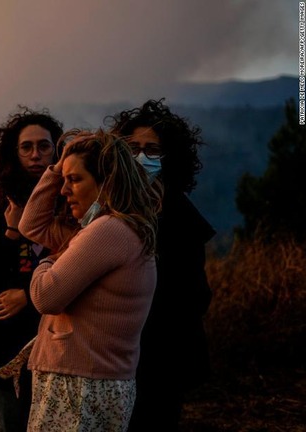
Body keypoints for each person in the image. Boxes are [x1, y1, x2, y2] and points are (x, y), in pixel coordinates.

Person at [18, 130, 162, 431]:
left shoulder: (107, 231)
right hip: (93, 380)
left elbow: (46, 297)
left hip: (80, 384)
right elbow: (30, 224)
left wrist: (52, 259)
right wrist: (59, 168)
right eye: (63, 180)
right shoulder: (112, 228)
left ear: (105, 183)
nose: (62, 189)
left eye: (74, 180)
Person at [107, 99, 216, 432]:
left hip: (163, 356)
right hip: (120, 355)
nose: (141, 156)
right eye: (133, 147)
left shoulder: (181, 218)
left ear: (171, 158)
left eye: (152, 149)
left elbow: (196, 295)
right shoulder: (116, 208)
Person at [0, 106, 64, 432]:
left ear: (57, 149)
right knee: (8, 421)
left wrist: (28, 296)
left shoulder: (68, 199)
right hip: (1, 340)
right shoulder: (2, 203)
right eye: (26, 147)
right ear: (14, 153)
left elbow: (77, 267)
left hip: (52, 337)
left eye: (44, 146)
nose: (35, 155)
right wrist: (10, 231)